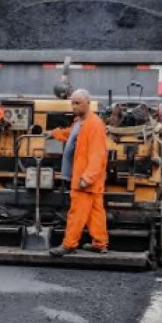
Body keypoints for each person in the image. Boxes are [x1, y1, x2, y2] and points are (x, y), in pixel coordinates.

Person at [49, 90, 109, 257]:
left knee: (76, 212)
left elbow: (98, 154)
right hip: (89, 179)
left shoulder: (94, 124)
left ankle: (69, 244)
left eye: (78, 103)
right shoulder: (80, 122)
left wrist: (87, 178)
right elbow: (71, 135)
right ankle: (100, 243)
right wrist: (54, 133)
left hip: (85, 179)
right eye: (73, 103)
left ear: (88, 103)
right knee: (95, 211)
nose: (74, 106)